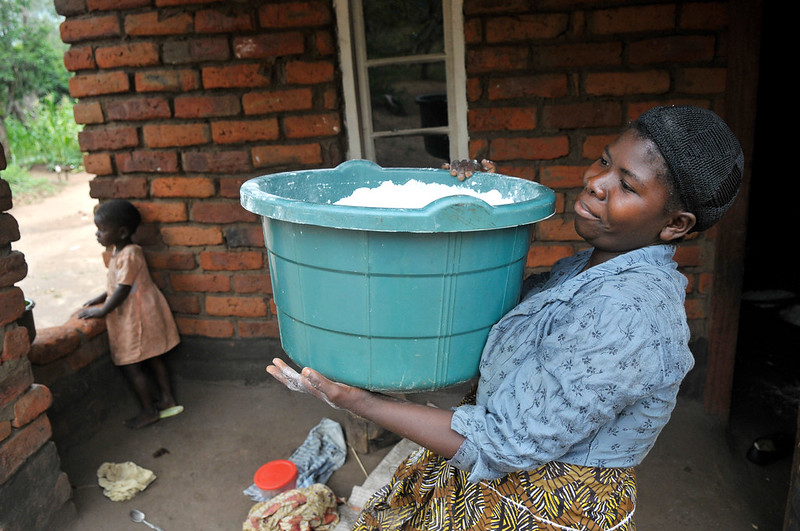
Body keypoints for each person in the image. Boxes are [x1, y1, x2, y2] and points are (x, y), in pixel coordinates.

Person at [267, 105, 745, 530]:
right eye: (604, 160)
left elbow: (501, 445)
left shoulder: (627, 315)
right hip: (486, 477)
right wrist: (477, 211)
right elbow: (489, 309)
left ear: (675, 224)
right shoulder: (595, 266)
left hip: (536, 508)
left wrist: (359, 401)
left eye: (626, 184)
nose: (595, 182)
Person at [79, 199, 182, 429]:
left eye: (102, 229)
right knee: (153, 357)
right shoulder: (121, 252)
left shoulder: (129, 254)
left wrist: (103, 309)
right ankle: (167, 399)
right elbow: (118, 284)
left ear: (122, 231)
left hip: (137, 316)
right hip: (143, 311)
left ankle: (149, 410)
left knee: (131, 365)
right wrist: (101, 296)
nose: (97, 234)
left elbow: (123, 288)